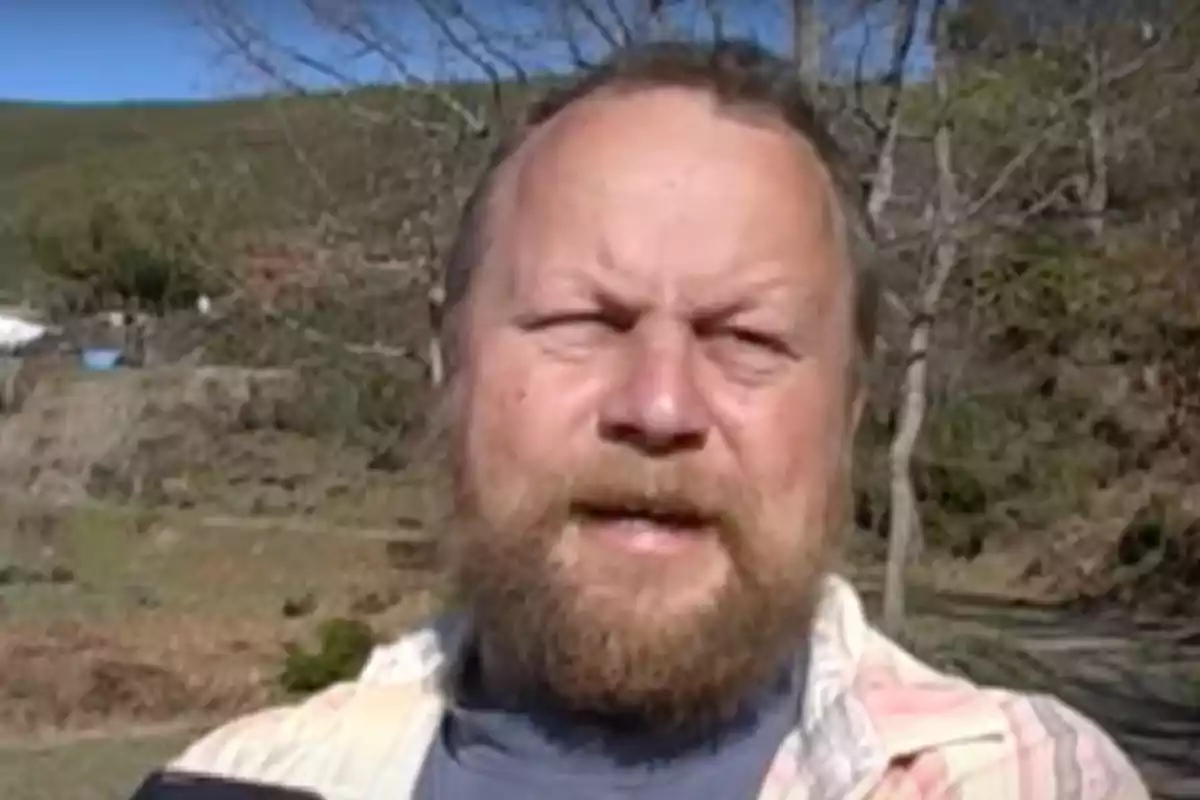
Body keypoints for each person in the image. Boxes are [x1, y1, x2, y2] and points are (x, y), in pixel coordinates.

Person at [138, 40, 1149, 800]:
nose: (659, 407)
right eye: (581, 320)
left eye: (748, 338)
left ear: (847, 409)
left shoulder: (1030, 776)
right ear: (451, 365)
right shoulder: (233, 779)